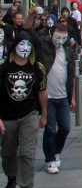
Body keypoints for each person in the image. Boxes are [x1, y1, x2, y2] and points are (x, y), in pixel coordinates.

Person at [0, 32, 48, 188]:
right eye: (22, 44)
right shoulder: (4, 68)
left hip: (29, 114)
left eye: (29, 45)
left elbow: (42, 92)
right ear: (15, 47)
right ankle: (12, 177)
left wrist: (44, 115)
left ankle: (26, 184)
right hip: (7, 116)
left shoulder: (38, 68)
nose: (25, 48)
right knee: (8, 152)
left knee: (27, 152)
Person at [38, 23, 75, 174]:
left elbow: (71, 75)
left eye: (63, 37)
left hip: (63, 96)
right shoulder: (44, 45)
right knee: (50, 129)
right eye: (57, 37)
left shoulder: (67, 50)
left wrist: (72, 97)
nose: (60, 40)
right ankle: (49, 159)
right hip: (49, 96)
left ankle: (56, 151)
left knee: (65, 127)